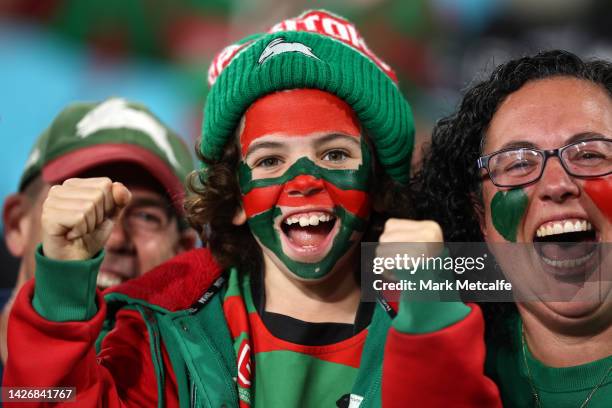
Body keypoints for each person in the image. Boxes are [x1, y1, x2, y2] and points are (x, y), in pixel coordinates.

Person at [3, 10, 501, 407]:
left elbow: (575, 282)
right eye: (269, 160)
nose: (303, 182)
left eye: (334, 154)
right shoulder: (162, 327)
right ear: (235, 199)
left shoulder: (450, 297)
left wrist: (431, 312)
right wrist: (61, 300)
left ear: (374, 184)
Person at [412, 50, 612, 407]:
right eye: (518, 163)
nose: (557, 184)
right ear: (480, 218)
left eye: (589, 154)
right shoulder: (443, 358)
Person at [1, 97, 196, 365]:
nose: (114, 238)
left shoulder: (207, 382)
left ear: (182, 251)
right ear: (16, 224)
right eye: (81, 202)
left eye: (147, 217)